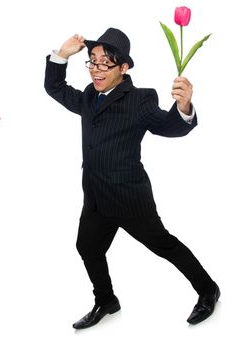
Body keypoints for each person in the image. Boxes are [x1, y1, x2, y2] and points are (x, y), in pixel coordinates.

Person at [44, 27, 220, 329]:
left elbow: (168, 126)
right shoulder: (89, 95)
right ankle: (106, 300)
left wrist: (183, 107)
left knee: (163, 244)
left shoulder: (140, 99)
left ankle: (208, 289)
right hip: (96, 196)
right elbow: (56, 88)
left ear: (123, 68)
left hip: (129, 197)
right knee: (87, 247)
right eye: (92, 62)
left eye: (105, 64)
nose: (96, 70)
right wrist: (61, 55)